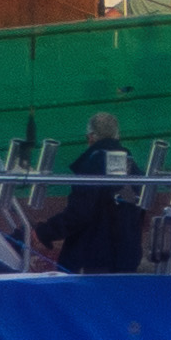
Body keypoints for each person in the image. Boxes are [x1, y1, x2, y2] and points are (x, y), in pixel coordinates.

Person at [48, 113, 146, 277]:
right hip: (126, 260)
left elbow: (79, 213)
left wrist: (45, 232)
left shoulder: (92, 164)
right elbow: (135, 212)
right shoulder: (132, 167)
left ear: (91, 137)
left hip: (91, 260)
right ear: (117, 136)